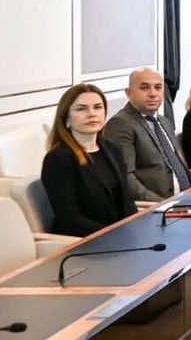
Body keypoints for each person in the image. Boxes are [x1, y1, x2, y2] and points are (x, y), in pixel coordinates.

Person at [41, 84, 137, 236]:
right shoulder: (58, 159)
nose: (91, 114)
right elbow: (69, 218)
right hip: (85, 241)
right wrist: (113, 235)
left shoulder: (112, 149)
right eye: (81, 109)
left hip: (120, 235)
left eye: (97, 107)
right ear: (66, 118)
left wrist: (137, 227)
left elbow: (127, 200)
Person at [103, 68, 191, 202]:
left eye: (158, 87)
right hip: (158, 205)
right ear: (128, 93)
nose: (153, 94)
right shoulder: (120, 124)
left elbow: (179, 166)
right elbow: (126, 178)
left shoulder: (163, 121)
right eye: (144, 88)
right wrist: (164, 204)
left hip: (188, 198)